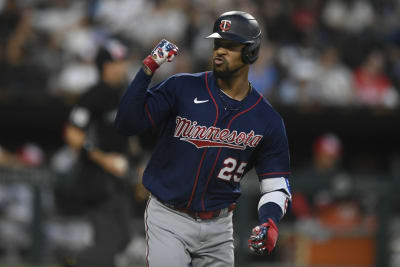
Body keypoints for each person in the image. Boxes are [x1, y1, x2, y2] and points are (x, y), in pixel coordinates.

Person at [115, 11, 292, 267]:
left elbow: (276, 185)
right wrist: (146, 70)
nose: (220, 51)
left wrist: (270, 220)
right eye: (217, 44)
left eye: (230, 46)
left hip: (219, 228)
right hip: (168, 217)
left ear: (251, 52)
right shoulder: (182, 88)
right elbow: (126, 124)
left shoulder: (268, 120)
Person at [62, 39, 133, 267]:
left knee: (124, 237)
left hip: (118, 179)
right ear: (106, 66)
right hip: (97, 179)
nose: (122, 67)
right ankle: (75, 262)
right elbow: (72, 133)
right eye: (118, 62)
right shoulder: (94, 94)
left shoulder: (122, 94)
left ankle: (77, 261)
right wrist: (103, 159)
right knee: (108, 244)